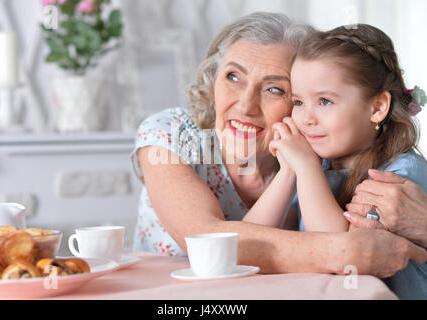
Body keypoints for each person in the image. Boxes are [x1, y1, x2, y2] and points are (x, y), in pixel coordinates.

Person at [129, 12, 427, 280]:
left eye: (275, 89)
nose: (245, 105)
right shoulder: (174, 134)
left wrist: (294, 168)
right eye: (233, 76)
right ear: (213, 80)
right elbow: (206, 242)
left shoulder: (320, 164)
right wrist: (345, 251)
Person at [254, 24, 426, 299]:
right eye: (298, 102)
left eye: (324, 101)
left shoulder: (397, 176)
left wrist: (306, 168)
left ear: (377, 108)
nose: (307, 118)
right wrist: (288, 171)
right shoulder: (318, 167)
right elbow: (254, 242)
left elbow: (344, 259)